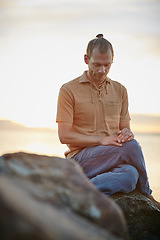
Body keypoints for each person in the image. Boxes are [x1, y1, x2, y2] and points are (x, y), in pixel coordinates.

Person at [56, 34, 160, 208]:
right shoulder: (68, 90)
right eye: (97, 64)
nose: (102, 70)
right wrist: (101, 140)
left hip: (111, 159)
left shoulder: (120, 90)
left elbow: (125, 130)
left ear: (112, 61)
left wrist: (127, 133)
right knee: (132, 147)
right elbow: (64, 135)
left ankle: (79, 192)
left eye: (107, 65)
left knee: (130, 174)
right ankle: (146, 194)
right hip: (80, 160)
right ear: (86, 59)